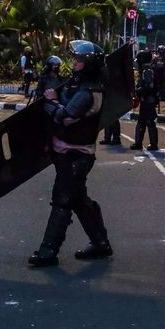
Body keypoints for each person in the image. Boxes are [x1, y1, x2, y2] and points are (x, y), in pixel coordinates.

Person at [30, 40, 111, 267]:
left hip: (77, 154)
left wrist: (51, 103)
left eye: (80, 59)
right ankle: (101, 243)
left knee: (62, 199)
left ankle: (48, 252)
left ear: (90, 64)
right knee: (79, 200)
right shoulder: (78, 84)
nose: (75, 62)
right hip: (66, 151)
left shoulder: (89, 91)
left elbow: (65, 116)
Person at [132, 50, 159, 150]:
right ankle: (138, 143)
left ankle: (153, 144)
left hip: (149, 99)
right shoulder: (146, 69)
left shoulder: (147, 70)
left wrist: (138, 91)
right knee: (142, 121)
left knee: (149, 121)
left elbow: (149, 86)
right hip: (146, 99)